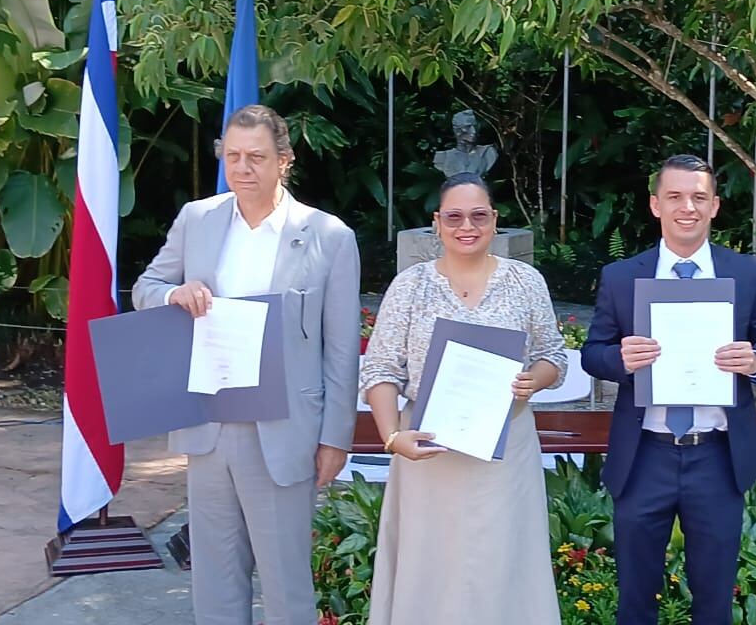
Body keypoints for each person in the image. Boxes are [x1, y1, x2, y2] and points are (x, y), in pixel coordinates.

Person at [132, 104, 360, 625]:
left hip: (285, 428)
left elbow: (342, 349)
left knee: (286, 584)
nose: (242, 168)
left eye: (256, 157)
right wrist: (175, 293)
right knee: (213, 578)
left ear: (285, 160)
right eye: (232, 156)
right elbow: (146, 288)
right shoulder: (198, 218)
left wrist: (336, 437)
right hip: (208, 422)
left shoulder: (329, 236)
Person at [581, 154, 756, 625]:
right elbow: (593, 352)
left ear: (714, 206)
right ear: (656, 205)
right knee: (635, 598)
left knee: (714, 600)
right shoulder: (621, 276)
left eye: (698, 197)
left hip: (716, 456)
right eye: (675, 197)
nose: (687, 208)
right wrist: (620, 359)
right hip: (644, 456)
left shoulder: (747, 272)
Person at [360, 172, 565, 625]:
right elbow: (380, 370)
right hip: (428, 453)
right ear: (437, 222)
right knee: (430, 566)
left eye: (478, 215)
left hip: (505, 452)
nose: (466, 225)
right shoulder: (410, 286)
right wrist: (393, 437)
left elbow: (553, 356)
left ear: (494, 220)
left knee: (503, 565)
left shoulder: (525, 281)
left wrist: (536, 378)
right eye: (454, 216)